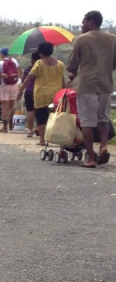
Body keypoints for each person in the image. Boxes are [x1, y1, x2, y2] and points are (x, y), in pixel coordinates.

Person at [66, 10, 116, 168]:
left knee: (87, 122)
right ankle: (103, 146)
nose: (82, 26)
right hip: (106, 84)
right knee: (103, 119)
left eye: (83, 22)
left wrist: (73, 73)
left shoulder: (82, 39)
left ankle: (91, 158)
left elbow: (72, 65)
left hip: (88, 84)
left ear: (91, 22)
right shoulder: (113, 39)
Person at [17, 42, 65, 146]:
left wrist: (20, 90)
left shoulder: (39, 63)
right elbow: (62, 79)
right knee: (54, 115)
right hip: (56, 94)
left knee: (40, 117)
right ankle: (55, 137)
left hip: (41, 94)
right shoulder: (60, 64)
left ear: (40, 52)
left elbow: (29, 78)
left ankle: (42, 140)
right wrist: (64, 91)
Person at [0, 47, 22, 132]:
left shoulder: (0, 63)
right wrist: (18, 82)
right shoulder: (14, 61)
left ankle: (5, 127)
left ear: (2, 54)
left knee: (5, 107)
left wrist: (0, 85)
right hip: (14, 85)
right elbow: (20, 72)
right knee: (11, 106)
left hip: (5, 85)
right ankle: (11, 125)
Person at [22, 51, 40, 137]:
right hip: (40, 92)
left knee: (30, 111)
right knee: (40, 111)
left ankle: (30, 130)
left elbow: (23, 80)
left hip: (29, 91)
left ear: (32, 60)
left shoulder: (28, 69)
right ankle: (39, 129)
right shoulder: (42, 68)